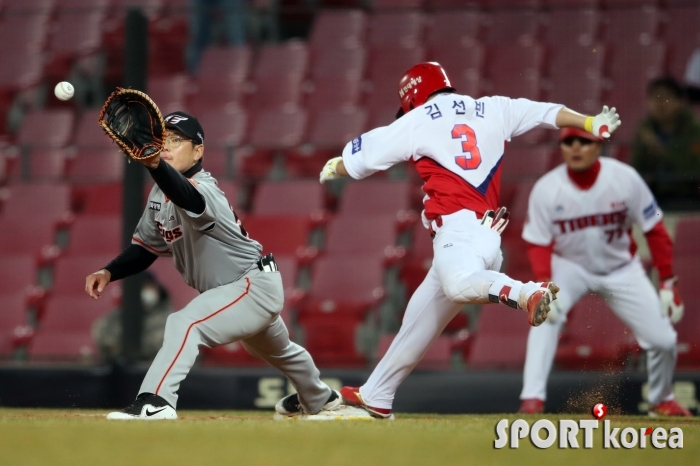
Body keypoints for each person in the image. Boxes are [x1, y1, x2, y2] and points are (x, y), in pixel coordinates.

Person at [312, 61, 621, 419]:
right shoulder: (494, 106)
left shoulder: (418, 118)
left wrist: (337, 165)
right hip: (486, 236)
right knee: (418, 321)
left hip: (457, 234)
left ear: (413, 96)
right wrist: (589, 123)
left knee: (458, 286)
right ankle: (377, 394)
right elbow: (546, 113)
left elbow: (362, 160)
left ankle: (525, 292)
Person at [85, 111, 343, 420]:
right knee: (279, 350)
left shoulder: (205, 188)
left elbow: (188, 198)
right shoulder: (159, 193)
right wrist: (109, 271)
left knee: (185, 323)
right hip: (234, 292)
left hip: (249, 284)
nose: (166, 145)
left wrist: (155, 165)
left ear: (198, 150)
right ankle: (320, 397)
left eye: (176, 140)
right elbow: (146, 248)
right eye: (162, 139)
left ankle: (156, 402)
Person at [518, 127, 690, 417]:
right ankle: (532, 400)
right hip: (570, 267)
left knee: (664, 340)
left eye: (583, 142)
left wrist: (667, 282)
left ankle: (661, 398)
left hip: (621, 269)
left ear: (599, 145)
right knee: (543, 316)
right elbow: (537, 243)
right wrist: (544, 285)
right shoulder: (547, 188)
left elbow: (655, 231)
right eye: (568, 142)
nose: (575, 148)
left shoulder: (625, 179)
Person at [630, 77, 700, 207]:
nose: (660, 103)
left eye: (665, 97)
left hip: (688, 196)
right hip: (657, 194)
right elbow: (637, 169)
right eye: (655, 98)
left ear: (679, 102)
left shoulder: (694, 130)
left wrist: (658, 149)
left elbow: (693, 170)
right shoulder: (646, 129)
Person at [92, 272, 173, 362]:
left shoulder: (169, 320)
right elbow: (102, 336)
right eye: (141, 287)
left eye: (148, 287)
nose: (145, 291)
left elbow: (160, 344)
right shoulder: (115, 318)